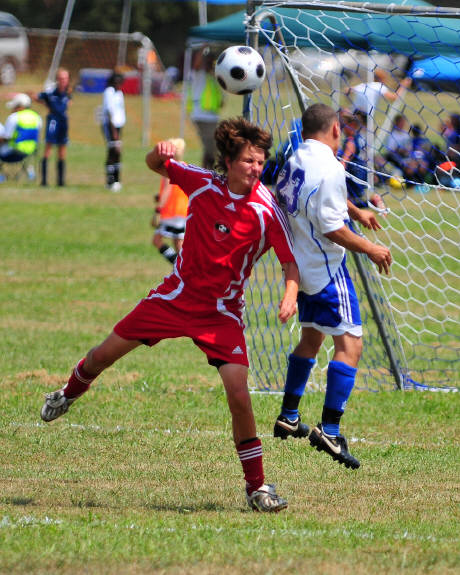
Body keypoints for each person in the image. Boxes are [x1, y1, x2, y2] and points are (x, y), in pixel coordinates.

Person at [40, 116, 299, 513]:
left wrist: (290, 294)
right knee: (103, 355)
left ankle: (257, 488)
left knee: (239, 395)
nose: (256, 169)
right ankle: (67, 393)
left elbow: (289, 262)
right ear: (229, 162)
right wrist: (158, 151)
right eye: (249, 161)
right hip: (174, 298)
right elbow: (154, 164)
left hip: (221, 314)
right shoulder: (202, 183)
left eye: (260, 162)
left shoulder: (266, 209)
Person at [273, 103, 392, 470]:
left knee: (311, 339)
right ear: (336, 130)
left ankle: (289, 415)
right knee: (351, 344)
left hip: (301, 266)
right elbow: (330, 227)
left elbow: (315, 201)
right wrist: (370, 248)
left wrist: (356, 212)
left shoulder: (295, 160)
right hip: (327, 269)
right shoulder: (330, 169)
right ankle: (330, 430)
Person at [338, 109, 385, 210]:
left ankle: (372, 202)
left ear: (352, 125)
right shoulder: (359, 137)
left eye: (344, 125)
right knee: (350, 204)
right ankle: (372, 202)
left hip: (353, 174)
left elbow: (347, 155)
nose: (343, 128)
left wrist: (341, 165)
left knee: (346, 204)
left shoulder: (350, 140)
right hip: (361, 171)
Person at [151, 138, 188, 264]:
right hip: (183, 211)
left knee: (157, 240)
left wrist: (158, 210)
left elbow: (167, 190)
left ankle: (180, 266)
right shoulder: (185, 166)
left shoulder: (169, 168)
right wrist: (159, 196)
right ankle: (182, 266)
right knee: (178, 243)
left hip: (172, 211)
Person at [34, 67, 72, 187]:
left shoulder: (68, 92)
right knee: (48, 149)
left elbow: (68, 103)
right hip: (53, 121)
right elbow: (36, 97)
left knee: (62, 151)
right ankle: (44, 181)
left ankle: (61, 181)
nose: (63, 81)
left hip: (63, 122)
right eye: (61, 78)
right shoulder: (50, 92)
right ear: (57, 80)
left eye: (65, 78)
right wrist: (47, 105)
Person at [188, 46, 223, 169]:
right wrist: (204, 46)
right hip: (201, 116)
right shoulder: (198, 74)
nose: (211, 64)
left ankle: (206, 171)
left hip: (212, 116)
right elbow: (197, 64)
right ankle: (206, 171)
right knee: (211, 147)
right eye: (209, 61)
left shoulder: (213, 78)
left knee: (211, 147)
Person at [347, 68, 412, 124]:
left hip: (353, 113)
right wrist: (403, 85)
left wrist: (350, 103)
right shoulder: (379, 86)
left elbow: (347, 90)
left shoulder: (364, 85)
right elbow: (394, 97)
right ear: (382, 78)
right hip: (364, 117)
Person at [0, 93, 41, 165]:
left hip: (12, 152)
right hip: (30, 152)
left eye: (14, 107)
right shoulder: (37, 117)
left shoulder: (14, 117)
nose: (12, 110)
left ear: (20, 106)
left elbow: (6, 138)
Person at [102, 71, 126, 192]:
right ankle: (110, 180)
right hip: (110, 126)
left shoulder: (119, 93)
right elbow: (109, 112)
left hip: (118, 126)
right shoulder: (109, 92)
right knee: (113, 151)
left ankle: (117, 179)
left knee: (117, 153)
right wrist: (114, 133)